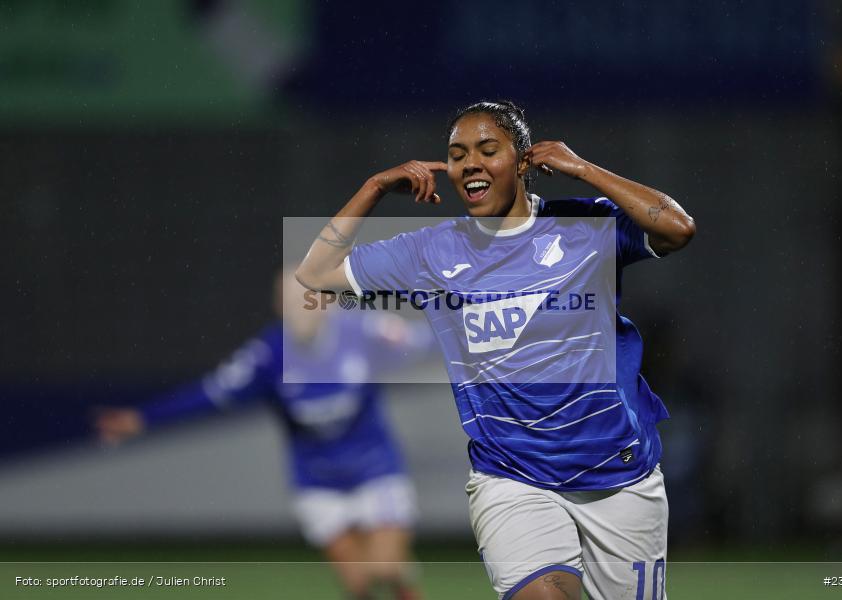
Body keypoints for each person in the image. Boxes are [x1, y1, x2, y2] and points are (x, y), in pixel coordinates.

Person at [295, 100, 696, 600]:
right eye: (458, 154)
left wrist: (585, 170)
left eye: (488, 149)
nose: (470, 165)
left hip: (618, 476)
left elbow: (677, 228)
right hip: (511, 477)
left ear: (524, 161)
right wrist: (375, 187)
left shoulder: (585, 229)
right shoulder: (430, 253)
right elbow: (314, 274)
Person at [95, 271, 428, 600]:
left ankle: (400, 578)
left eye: (305, 299)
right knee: (360, 586)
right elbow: (212, 393)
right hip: (317, 481)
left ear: (326, 301)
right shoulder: (268, 354)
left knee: (383, 569)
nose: (298, 308)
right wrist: (143, 418)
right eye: (288, 301)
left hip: (376, 470)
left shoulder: (362, 330)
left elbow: (426, 340)